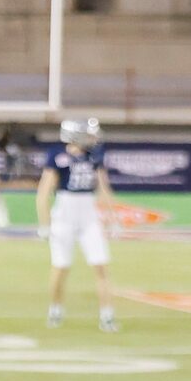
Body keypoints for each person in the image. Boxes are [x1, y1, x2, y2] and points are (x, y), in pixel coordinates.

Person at [39, 115, 119, 332]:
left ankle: (107, 315)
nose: (93, 137)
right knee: (61, 266)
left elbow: (103, 187)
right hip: (64, 215)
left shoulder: (95, 156)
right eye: (88, 133)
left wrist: (112, 218)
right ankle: (55, 309)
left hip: (88, 216)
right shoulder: (58, 156)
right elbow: (44, 192)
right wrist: (45, 223)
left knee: (101, 265)